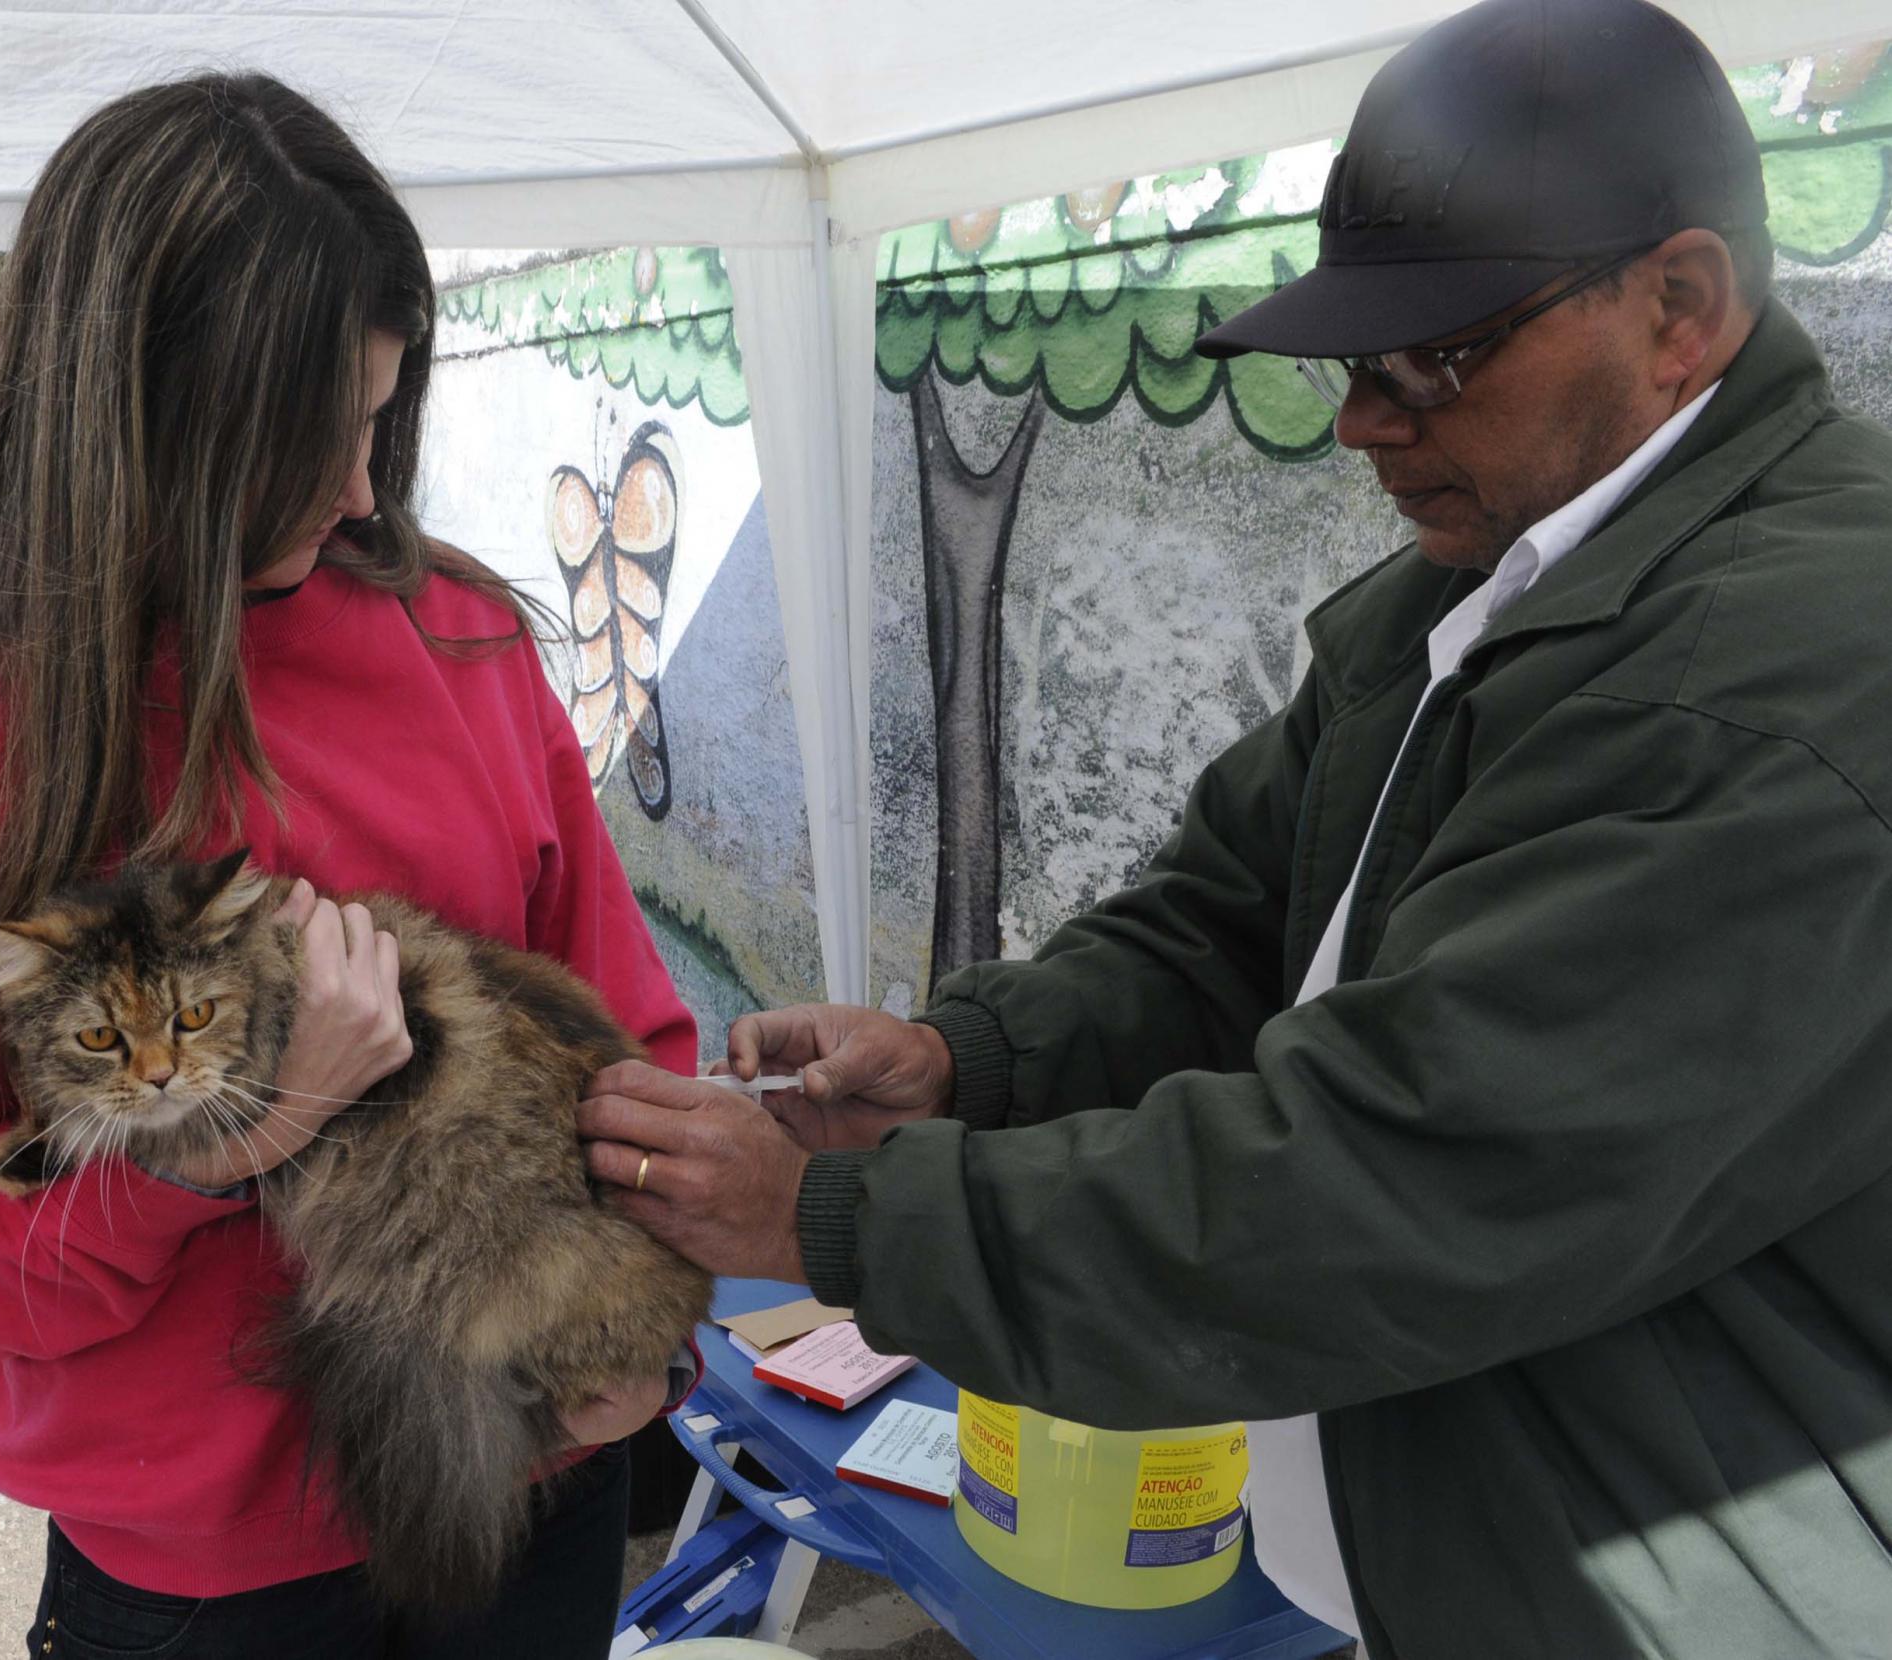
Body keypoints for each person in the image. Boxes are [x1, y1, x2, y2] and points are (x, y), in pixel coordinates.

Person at [576, 1, 1892, 1654]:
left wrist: (843, 1220)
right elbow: (1222, 925)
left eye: (1432, 360)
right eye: (1355, 364)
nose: (1363, 422)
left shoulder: (1763, 684)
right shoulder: (1485, 589)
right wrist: (969, 1064)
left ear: (1679, 310)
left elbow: (1393, 1179)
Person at [0, 73, 694, 1659]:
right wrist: (231, 1145)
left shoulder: (458, 634)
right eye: (305, 443)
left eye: (378, 422)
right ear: (141, 425)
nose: (366, 491)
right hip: (208, 1590)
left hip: (538, 1475)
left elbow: (630, 1039)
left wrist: (661, 1337)